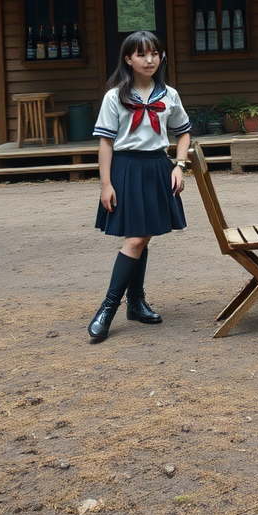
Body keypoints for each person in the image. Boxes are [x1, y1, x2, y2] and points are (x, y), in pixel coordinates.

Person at [87, 30, 192, 342]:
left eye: (155, 54)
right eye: (142, 55)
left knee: (140, 235)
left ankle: (135, 303)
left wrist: (180, 165)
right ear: (128, 59)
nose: (150, 60)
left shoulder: (169, 95)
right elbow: (105, 144)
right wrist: (106, 184)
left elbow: (183, 133)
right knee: (136, 238)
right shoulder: (114, 97)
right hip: (126, 169)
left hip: (158, 168)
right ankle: (110, 307)